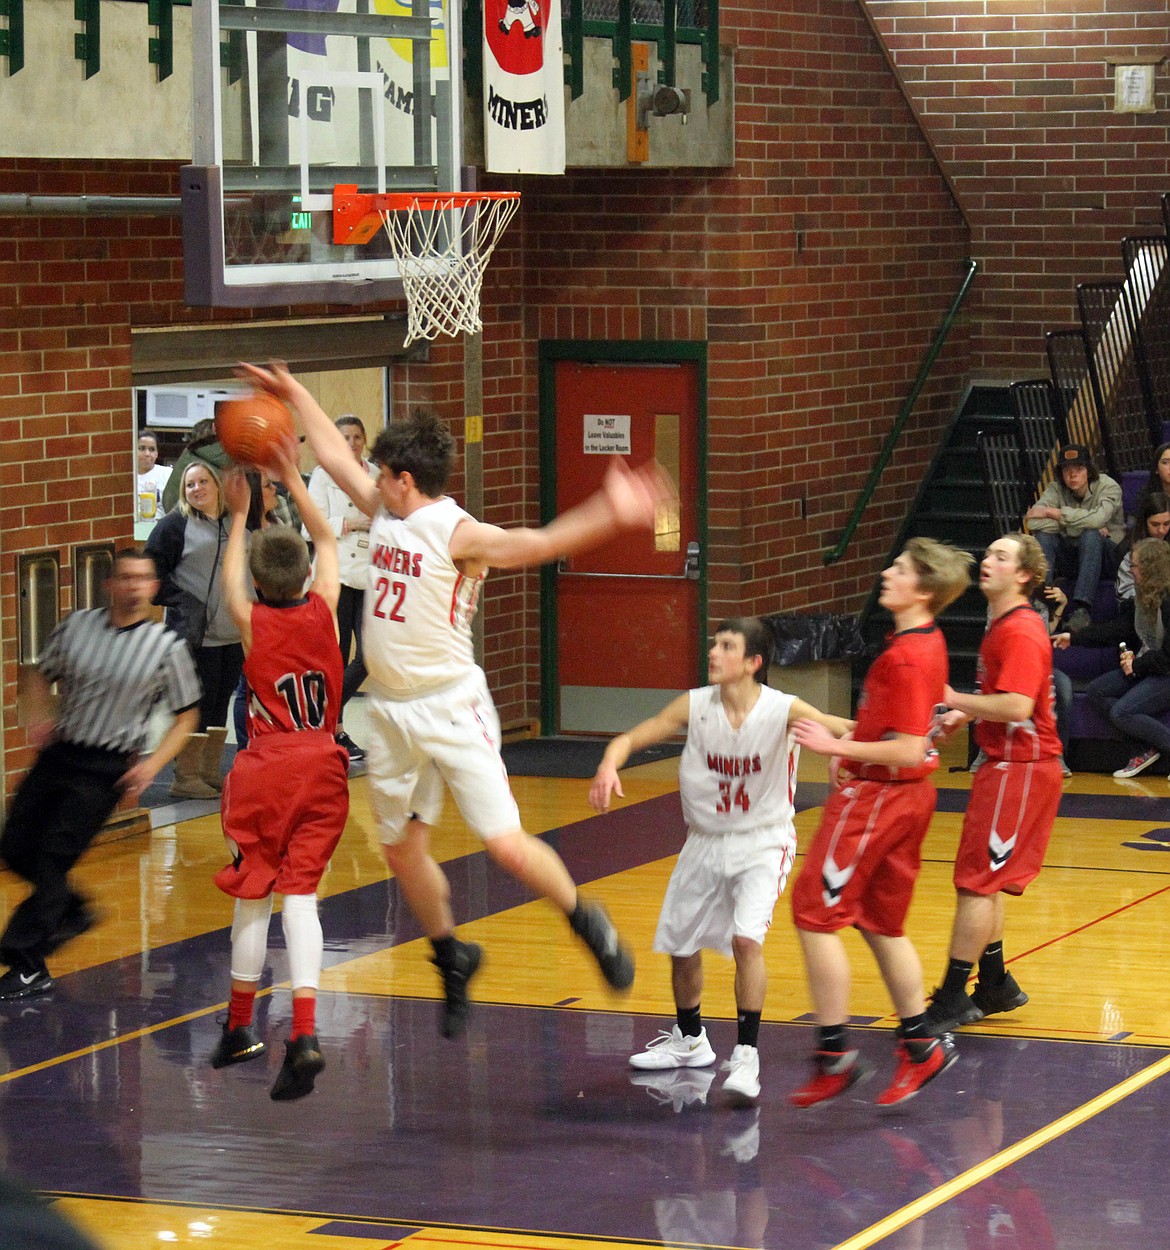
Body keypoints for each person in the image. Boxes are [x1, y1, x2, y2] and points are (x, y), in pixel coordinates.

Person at [237, 360, 673, 1039]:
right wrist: (295, 393)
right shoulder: (386, 510)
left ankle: (587, 919)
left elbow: (539, 544)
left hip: (449, 706)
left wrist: (610, 511)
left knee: (503, 843)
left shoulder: (457, 533)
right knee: (404, 849)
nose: (369, 480)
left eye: (379, 472)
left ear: (404, 481)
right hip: (389, 710)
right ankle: (451, 954)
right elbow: (330, 452)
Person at [589, 617, 853, 1106]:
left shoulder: (783, 710)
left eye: (726, 646)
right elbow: (636, 735)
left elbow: (845, 728)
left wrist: (865, 744)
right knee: (682, 944)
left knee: (745, 939)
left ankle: (747, 1055)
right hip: (705, 840)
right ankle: (690, 1040)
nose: (713, 652)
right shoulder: (696, 705)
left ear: (753, 663)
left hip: (763, 841)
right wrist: (610, 760)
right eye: (713, 643)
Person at [786, 538, 973, 1108]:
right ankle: (921, 1045)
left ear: (922, 589)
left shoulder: (906, 655)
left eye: (900, 569)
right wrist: (855, 745)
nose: (887, 572)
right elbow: (914, 729)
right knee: (880, 922)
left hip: (879, 801)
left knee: (813, 913)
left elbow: (909, 748)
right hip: (904, 799)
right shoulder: (926, 641)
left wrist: (830, 742)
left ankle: (834, 1053)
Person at [208, 444, 350, 1101]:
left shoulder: (252, 621)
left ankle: (241, 1027)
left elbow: (230, 584)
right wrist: (293, 478)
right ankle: (305, 1032)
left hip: (267, 768)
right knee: (302, 897)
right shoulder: (324, 605)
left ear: (263, 586)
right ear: (303, 577)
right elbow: (324, 536)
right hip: (324, 764)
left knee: (253, 893)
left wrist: (241, 515)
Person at [0, 550, 201, 1000]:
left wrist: (151, 764)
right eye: (125, 578)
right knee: (14, 845)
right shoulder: (77, 627)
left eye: (142, 580)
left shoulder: (165, 648)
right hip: (61, 751)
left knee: (53, 857)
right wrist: (37, 716)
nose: (133, 587)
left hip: (105, 768)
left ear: (153, 589)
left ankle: (26, 960)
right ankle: (71, 911)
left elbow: (187, 715)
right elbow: (37, 674)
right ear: (110, 585)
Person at [923, 533, 1063, 1034]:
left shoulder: (1021, 630)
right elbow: (1004, 698)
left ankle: (954, 997)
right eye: (987, 554)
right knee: (988, 881)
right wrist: (965, 715)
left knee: (976, 885)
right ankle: (996, 982)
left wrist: (956, 699)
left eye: (1000, 557)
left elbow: (1018, 706)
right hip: (1009, 765)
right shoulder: (1004, 624)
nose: (987, 561)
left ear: (1023, 574)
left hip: (1021, 769)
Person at [146, 459, 244, 799]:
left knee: (219, 703)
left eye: (203, 481)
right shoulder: (174, 526)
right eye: (190, 484)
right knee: (196, 704)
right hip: (193, 635)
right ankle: (184, 775)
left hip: (231, 632)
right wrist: (184, 602)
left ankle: (207, 770)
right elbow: (151, 573)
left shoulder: (235, 521)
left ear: (217, 485)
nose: (197, 488)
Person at [1054, 537, 1170, 780]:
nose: (1131, 569)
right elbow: (1119, 629)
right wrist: (1073, 638)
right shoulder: (1143, 594)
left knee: (1121, 712)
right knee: (1098, 690)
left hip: (1165, 671)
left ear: (1150, 568)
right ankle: (1144, 750)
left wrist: (1136, 664)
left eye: (1135, 565)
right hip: (1152, 666)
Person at [305, 414, 380, 764]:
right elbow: (310, 526)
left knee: (369, 656)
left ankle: (327, 715)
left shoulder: (377, 475)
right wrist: (349, 523)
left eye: (357, 437)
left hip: (370, 575)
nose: (351, 443)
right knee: (335, 656)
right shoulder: (323, 476)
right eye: (344, 438)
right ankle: (335, 728)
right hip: (335, 576)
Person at [1024, 443, 1124, 632]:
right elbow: (1033, 523)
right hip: (1074, 556)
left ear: (1089, 470)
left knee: (1092, 534)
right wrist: (1084, 523)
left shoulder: (1108, 486)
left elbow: (1100, 519)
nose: (1072, 475)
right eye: (1067, 470)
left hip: (1107, 556)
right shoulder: (1055, 489)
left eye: (1079, 469)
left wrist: (1053, 513)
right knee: (1045, 537)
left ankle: (1082, 608)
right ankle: (1042, 601)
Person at [136, 429, 172, 522]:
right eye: (141, 448)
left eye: (152, 449)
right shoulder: (127, 477)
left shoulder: (167, 474)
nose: (147, 454)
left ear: (157, 454)